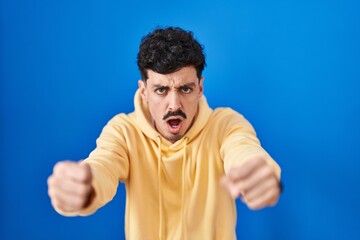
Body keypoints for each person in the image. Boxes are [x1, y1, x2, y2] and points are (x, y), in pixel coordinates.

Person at [47, 26, 282, 240]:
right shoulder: (124, 131)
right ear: (144, 92)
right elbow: (103, 164)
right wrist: (85, 188)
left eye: (185, 89)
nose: (174, 105)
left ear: (200, 88)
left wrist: (261, 173)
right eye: (161, 90)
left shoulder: (226, 125)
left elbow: (244, 151)